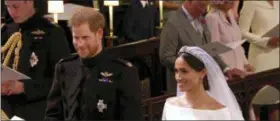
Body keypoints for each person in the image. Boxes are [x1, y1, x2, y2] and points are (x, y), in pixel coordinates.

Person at [44, 8, 142, 120]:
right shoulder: (64, 67)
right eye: (76, 38)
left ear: (99, 34)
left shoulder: (123, 71)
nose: (80, 44)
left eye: (85, 38)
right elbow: (53, 115)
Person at [1, 0, 70, 120]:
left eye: (16, 6)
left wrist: (24, 87)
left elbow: (64, 80)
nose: (11, 12)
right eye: (8, 7)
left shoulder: (52, 33)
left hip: (35, 110)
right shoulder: (6, 30)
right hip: (4, 108)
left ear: (29, 2)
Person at [159, 0, 246, 94]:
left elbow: (210, 49)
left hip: (203, 85)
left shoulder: (200, 18)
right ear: (189, 2)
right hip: (183, 88)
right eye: (201, 5)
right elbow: (165, 57)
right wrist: (189, 67)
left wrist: (226, 69)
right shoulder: (173, 22)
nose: (204, 9)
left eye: (206, 6)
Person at [162, 46, 244, 120]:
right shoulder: (170, 105)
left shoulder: (219, 112)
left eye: (184, 71)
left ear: (202, 73)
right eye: (176, 71)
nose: (178, 77)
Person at [205, 0, 254, 73]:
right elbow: (214, 49)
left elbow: (238, 44)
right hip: (226, 71)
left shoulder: (230, 14)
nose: (232, 1)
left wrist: (246, 63)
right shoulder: (211, 18)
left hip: (240, 69)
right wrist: (227, 69)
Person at [239, 0, 279, 73]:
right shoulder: (251, 2)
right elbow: (242, 32)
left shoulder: (278, 2)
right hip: (261, 54)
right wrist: (266, 41)